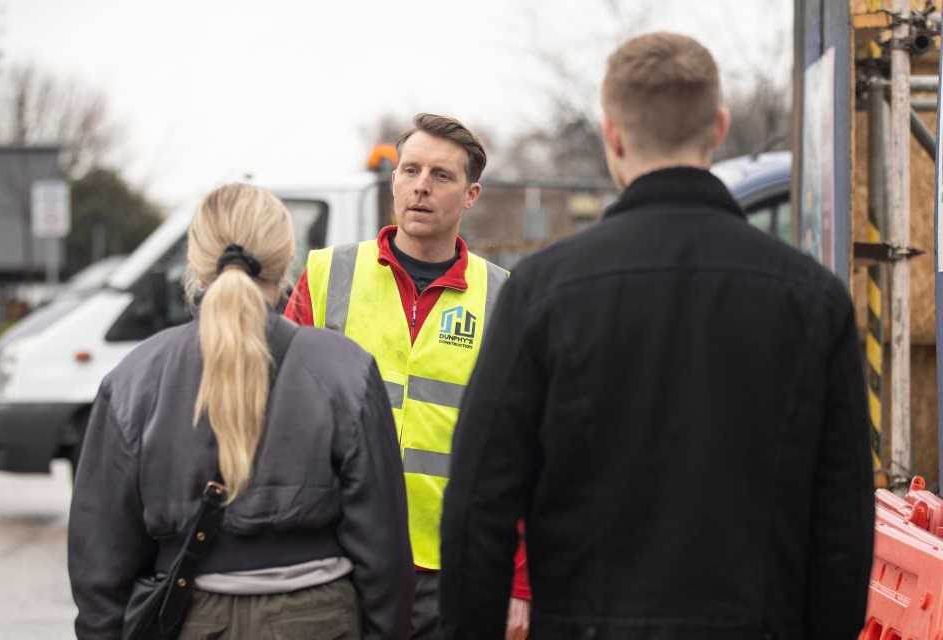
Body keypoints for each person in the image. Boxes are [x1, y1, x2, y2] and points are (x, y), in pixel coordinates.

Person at [440, 32, 875, 639]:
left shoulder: (543, 291)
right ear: (719, 126)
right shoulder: (814, 300)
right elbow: (843, 530)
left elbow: (478, 506)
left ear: (612, 134)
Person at [68, 183, 414, 639]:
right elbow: (384, 551)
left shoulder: (134, 379)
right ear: (287, 258)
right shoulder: (346, 370)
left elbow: (100, 564)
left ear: (194, 261)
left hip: (187, 617)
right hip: (316, 620)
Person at [284, 113, 531, 639]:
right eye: (410, 169)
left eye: (442, 175)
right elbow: (275, 415)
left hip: (449, 566)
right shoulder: (326, 274)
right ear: (393, 180)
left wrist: (520, 584)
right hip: (335, 555)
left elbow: (527, 449)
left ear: (471, 195)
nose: (421, 185)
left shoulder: (505, 297)